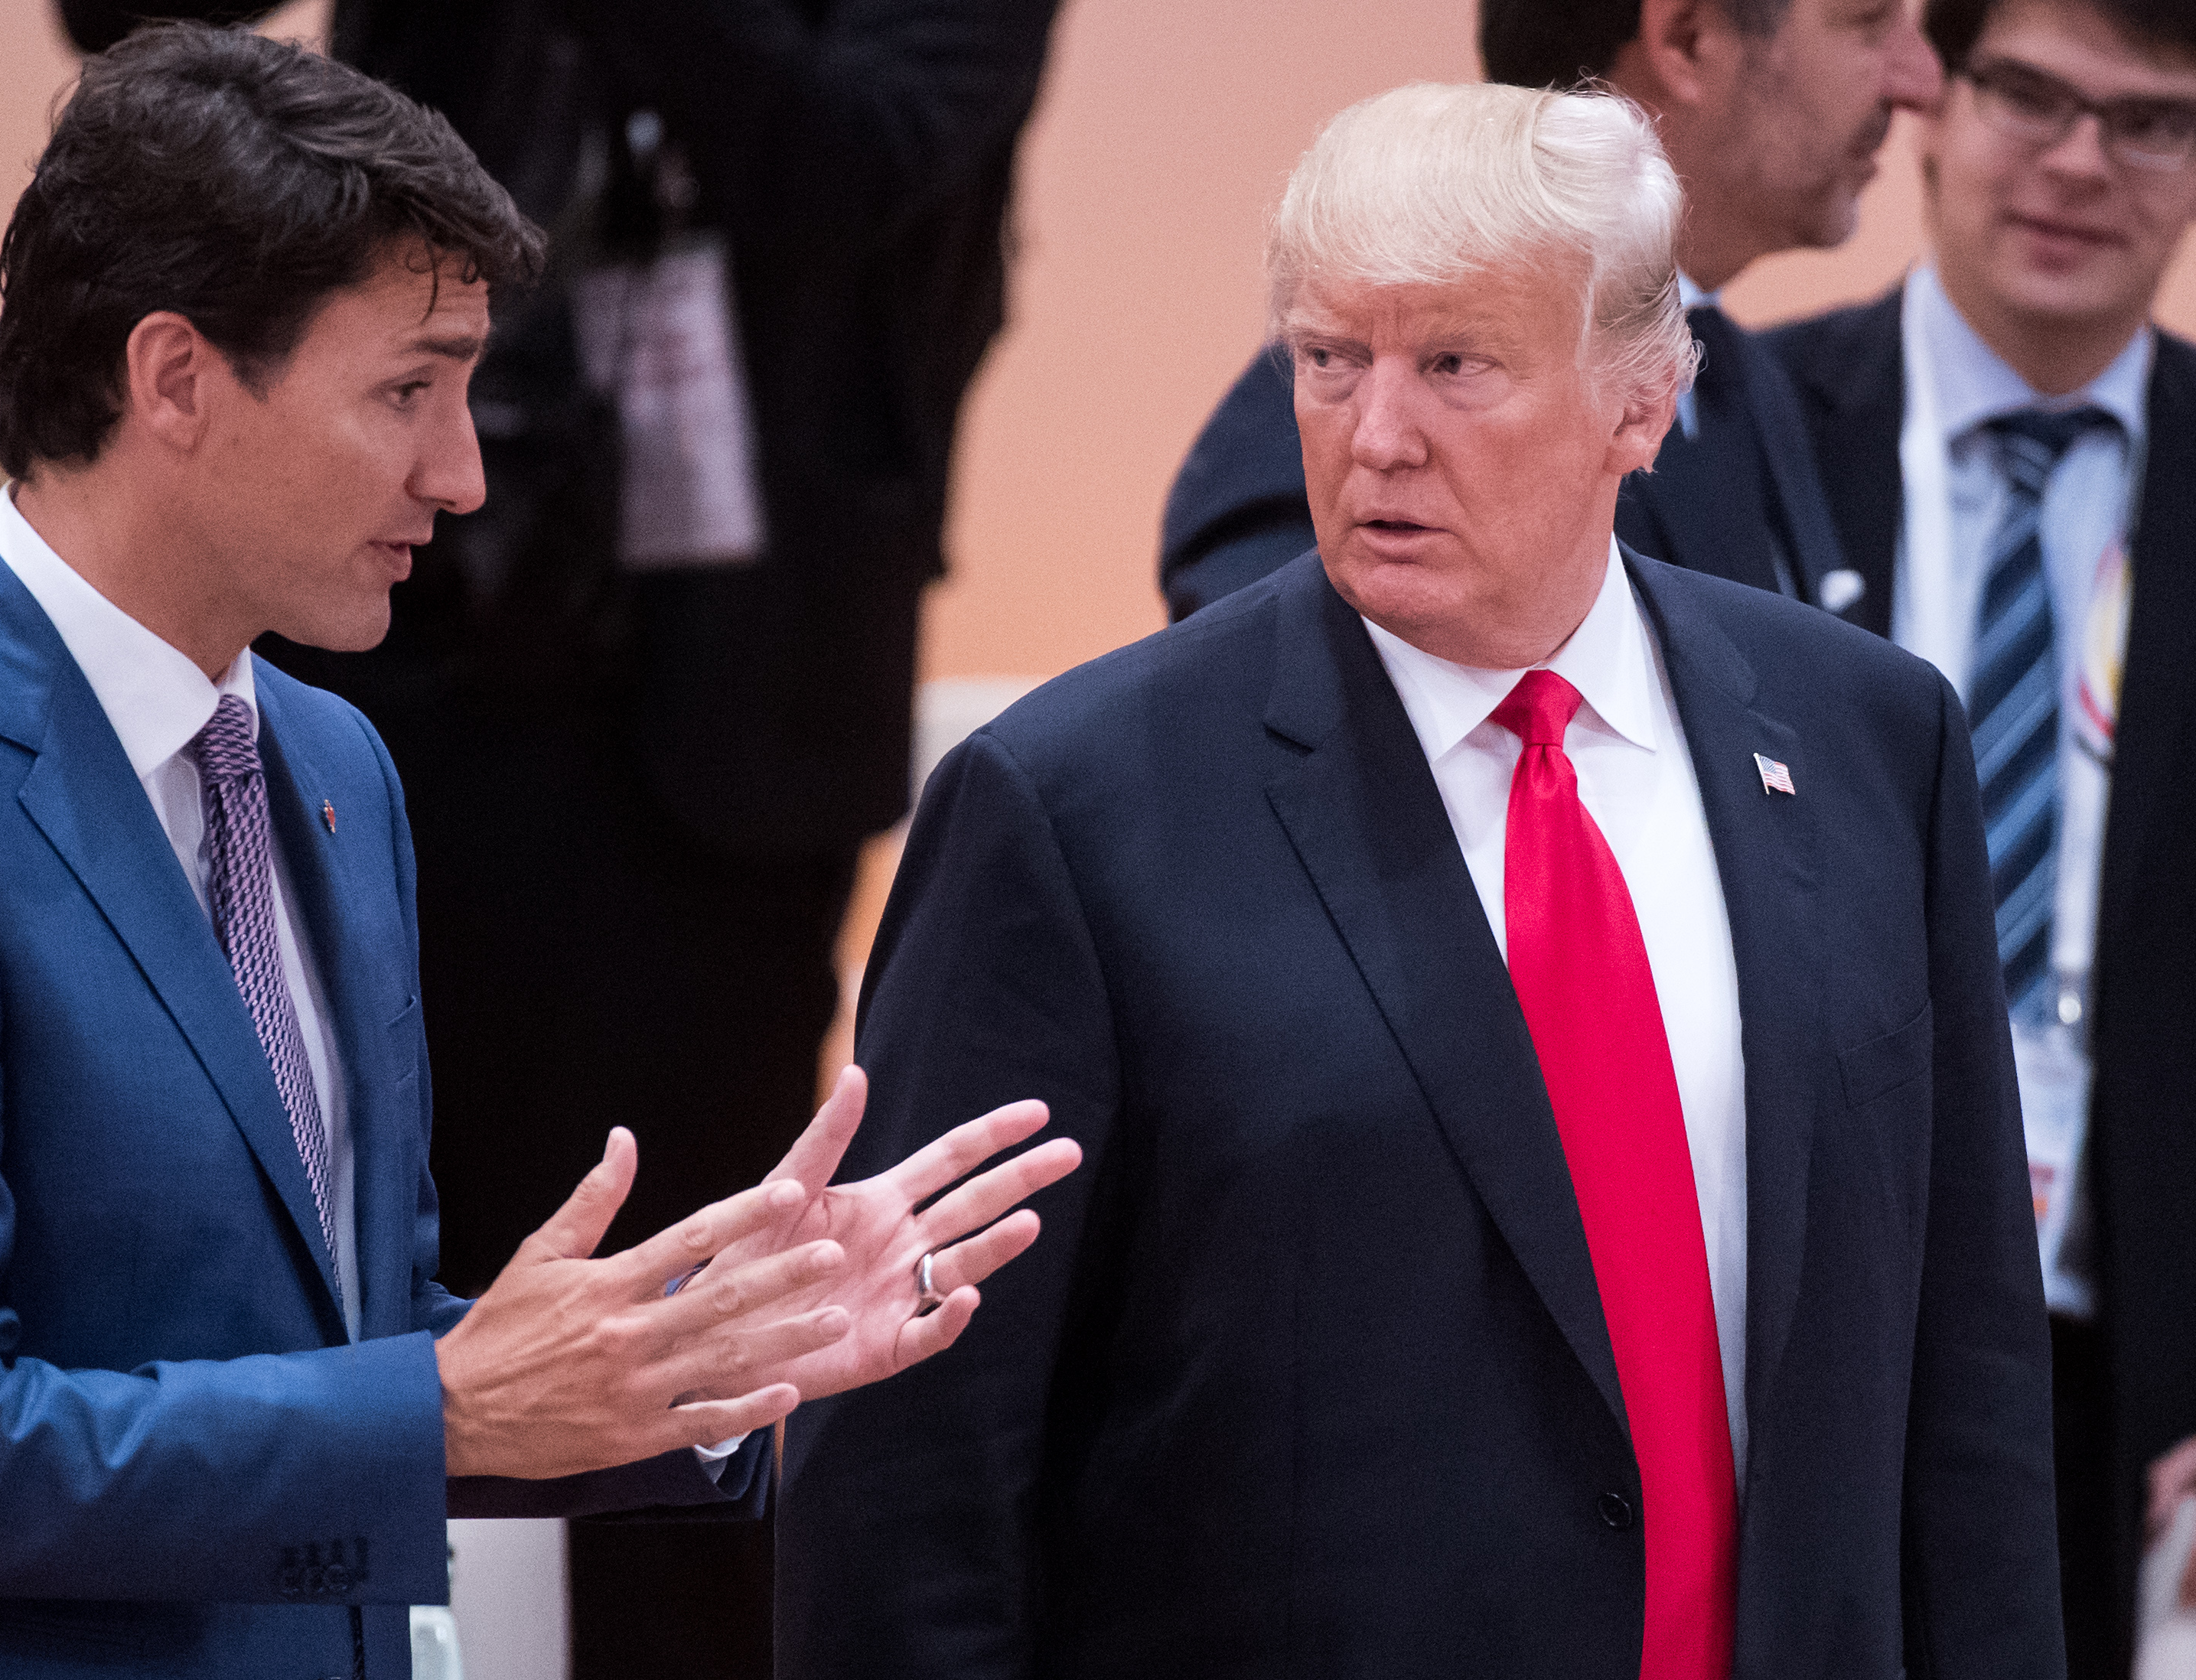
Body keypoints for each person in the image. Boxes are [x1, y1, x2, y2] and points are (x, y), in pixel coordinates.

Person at [0, 28, 1078, 1679]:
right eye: (407, 391)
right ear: (174, 379)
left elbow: (347, 1343)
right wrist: (438, 1405)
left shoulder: (334, 768)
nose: (464, 474)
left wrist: (694, 1358)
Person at [775, 82, 2062, 1678]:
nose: (1375, 434)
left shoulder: (1873, 740)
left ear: (1639, 404)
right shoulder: (1070, 812)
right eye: (1329, 360)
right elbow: (914, 1478)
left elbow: (1968, 1379)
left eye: (1455, 364)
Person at [1764, 1, 2196, 1669]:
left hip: (2133, 1373)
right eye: (2032, 93)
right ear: (1935, 96)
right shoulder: (1735, 431)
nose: (2080, 162)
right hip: (1793, 1321)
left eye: (2151, 120)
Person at [1157, 0, 1940, 623]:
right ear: (1689, 39)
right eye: (1868, 20)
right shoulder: (1328, 446)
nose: (1919, 79)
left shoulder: (1743, 381)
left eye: (1454, 366)